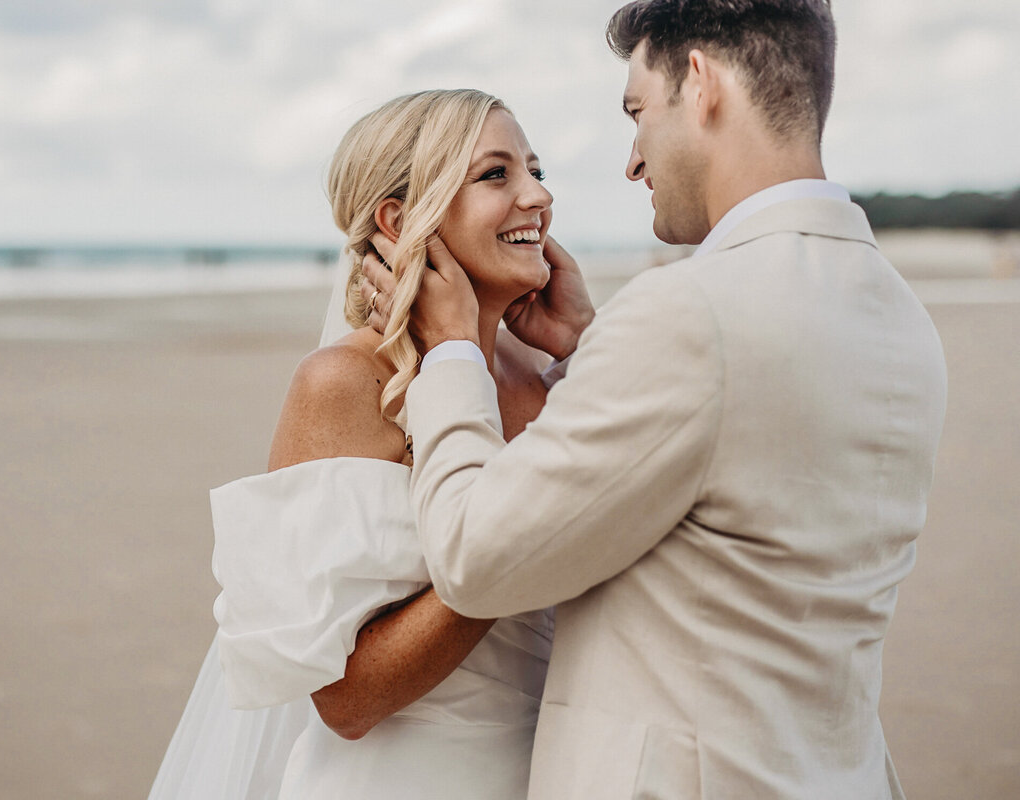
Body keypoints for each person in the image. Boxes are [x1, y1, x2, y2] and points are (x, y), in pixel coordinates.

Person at [359, 2, 948, 798]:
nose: (634, 162)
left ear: (699, 84)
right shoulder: (898, 315)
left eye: (638, 113)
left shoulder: (690, 312)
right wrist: (590, 347)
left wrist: (455, 350)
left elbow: (474, 559)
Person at [149, 88, 569, 799]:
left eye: (535, 168)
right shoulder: (345, 383)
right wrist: (526, 528)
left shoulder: (547, 374)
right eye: (497, 175)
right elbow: (344, 700)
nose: (538, 195)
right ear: (401, 220)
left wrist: (581, 350)